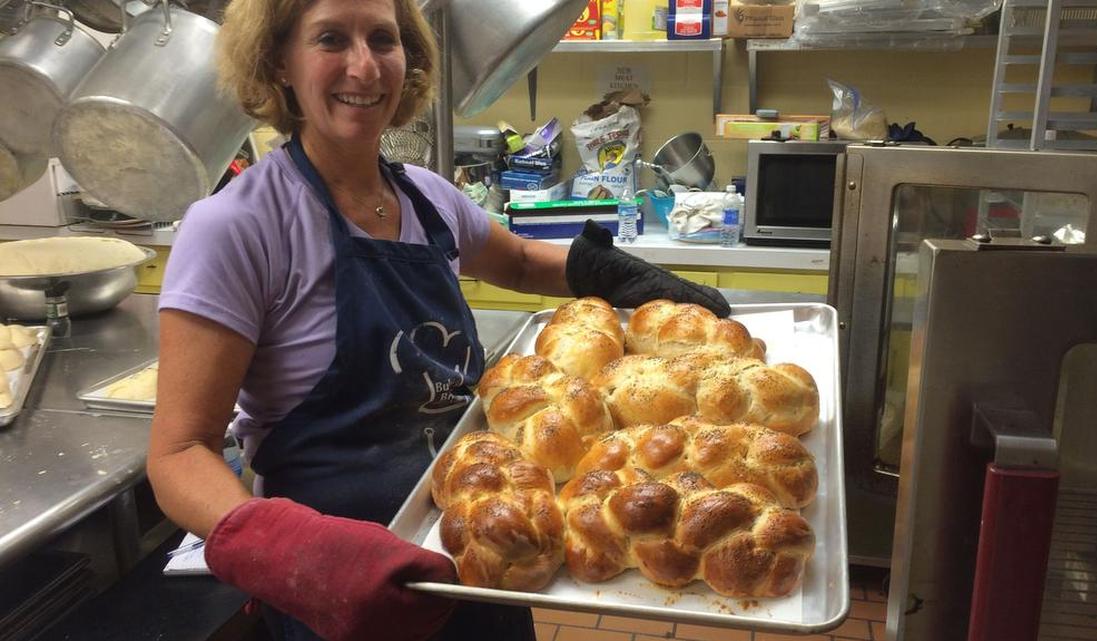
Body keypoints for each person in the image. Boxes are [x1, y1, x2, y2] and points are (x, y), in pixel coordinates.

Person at [145, 0, 730, 640]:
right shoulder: (237, 226)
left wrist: (615, 272)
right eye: (331, 39)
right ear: (279, 62)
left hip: (486, 538)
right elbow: (179, 455)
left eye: (383, 39)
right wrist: (290, 549)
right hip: (339, 588)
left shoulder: (427, 196)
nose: (365, 67)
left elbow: (521, 261)